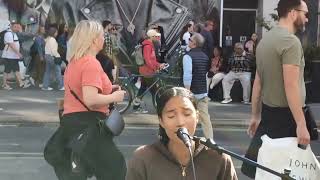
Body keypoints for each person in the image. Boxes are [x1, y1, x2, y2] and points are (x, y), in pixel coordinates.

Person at [44, 20, 127, 180]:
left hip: (73, 124)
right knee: (115, 169)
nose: (104, 38)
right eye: (102, 35)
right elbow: (90, 99)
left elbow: (78, 93)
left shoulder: (74, 62)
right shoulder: (91, 63)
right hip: (90, 125)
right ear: (94, 39)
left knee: (80, 173)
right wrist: (115, 96)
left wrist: (108, 90)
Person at [241, 0, 310, 178]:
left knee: (267, 170)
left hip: (269, 116)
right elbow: (291, 85)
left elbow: (258, 82)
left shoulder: (265, 41)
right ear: (293, 13)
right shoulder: (291, 42)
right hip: (288, 120)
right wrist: (301, 124)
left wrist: (255, 115)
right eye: (305, 14)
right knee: (292, 172)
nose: (307, 19)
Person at [126, 87, 238, 180]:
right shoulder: (143, 158)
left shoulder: (218, 157)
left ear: (197, 117)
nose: (180, 122)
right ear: (161, 121)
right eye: (171, 116)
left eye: (187, 114)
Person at [182, 33, 213, 139]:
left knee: (188, 116)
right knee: (205, 118)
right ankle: (210, 140)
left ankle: (187, 138)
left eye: (190, 39)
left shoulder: (187, 56)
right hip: (203, 92)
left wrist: (187, 92)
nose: (189, 40)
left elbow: (187, 75)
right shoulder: (205, 57)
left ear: (194, 43)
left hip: (192, 92)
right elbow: (204, 75)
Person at [132, 29, 165, 113]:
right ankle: (161, 108)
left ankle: (136, 106)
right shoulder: (148, 46)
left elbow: (152, 60)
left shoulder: (150, 45)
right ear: (152, 37)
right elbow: (148, 60)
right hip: (147, 71)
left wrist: (159, 65)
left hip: (146, 71)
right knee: (155, 89)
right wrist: (155, 68)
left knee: (143, 88)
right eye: (156, 36)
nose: (157, 37)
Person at [1, 21, 30, 90]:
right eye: (15, 27)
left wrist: (20, 31)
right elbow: (11, 45)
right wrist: (18, 53)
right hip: (10, 56)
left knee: (13, 70)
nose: (17, 28)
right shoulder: (9, 34)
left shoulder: (14, 33)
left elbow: (19, 41)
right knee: (10, 70)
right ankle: (6, 84)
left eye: (18, 27)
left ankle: (20, 83)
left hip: (12, 56)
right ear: (11, 26)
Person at [42, 26, 64, 91]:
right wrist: (58, 56)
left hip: (47, 56)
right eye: (56, 32)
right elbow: (54, 51)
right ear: (54, 33)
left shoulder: (47, 39)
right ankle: (61, 86)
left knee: (47, 71)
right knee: (58, 71)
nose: (57, 33)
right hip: (52, 57)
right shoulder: (53, 40)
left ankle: (45, 86)